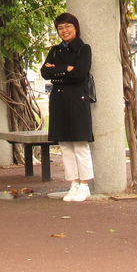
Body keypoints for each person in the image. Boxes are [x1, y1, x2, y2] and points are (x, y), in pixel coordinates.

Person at [40, 12, 95, 202]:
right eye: (60, 28)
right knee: (64, 145)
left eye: (68, 26)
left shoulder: (83, 49)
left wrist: (57, 71)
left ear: (75, 28)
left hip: (77, 99)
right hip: (58, 100)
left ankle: (85, 185)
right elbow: (45, 73)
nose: (64, 31)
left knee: (80, 144)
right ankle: (73, 183)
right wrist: (66, 69)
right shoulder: (55, 50)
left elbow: (80, 74)